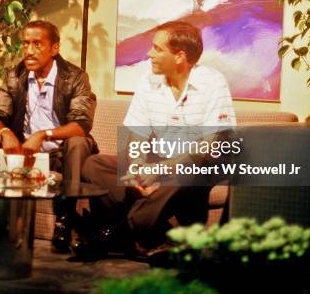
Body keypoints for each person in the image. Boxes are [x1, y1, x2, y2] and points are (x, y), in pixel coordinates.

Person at [76, 21, 236, 258]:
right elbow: (137, 134)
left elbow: (209, 146)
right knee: (94, 165)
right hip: (160, 160)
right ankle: (158, 236)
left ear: (180, 56)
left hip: (200, 165)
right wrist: (137, 164)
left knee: (186, 172)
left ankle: (116, 233)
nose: (150, 53)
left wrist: (159, 170)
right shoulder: (148, 82)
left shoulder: (212, 82)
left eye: (157, 48)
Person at [0, 20, 99, 252]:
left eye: (37, 44)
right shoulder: (16, 74)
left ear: (54, 48)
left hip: (61, 152)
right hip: (25, 153)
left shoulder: (75, 76)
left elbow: (82, 125)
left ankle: (66, 222)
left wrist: (43, 134)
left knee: (78, 143)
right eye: (25, 44)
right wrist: (4, 132)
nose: (29, 51)